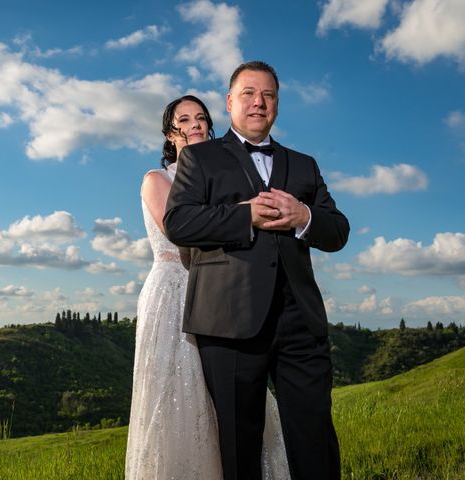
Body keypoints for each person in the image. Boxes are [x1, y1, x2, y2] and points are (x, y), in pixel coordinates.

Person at [164, 62, 350, 480]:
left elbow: (338, 231)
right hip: (228, 325)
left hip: (300, 322)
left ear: (277, 105)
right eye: (248, 93)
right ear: (230, 102)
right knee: (239, 448)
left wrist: (304, 216)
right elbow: (179, 223)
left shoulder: (304, 165)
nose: (258, 102)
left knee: (315, 440)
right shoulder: (199, 158)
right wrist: (244, 216)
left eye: (268, 95)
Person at [125, 94, 291, 480]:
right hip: (171, 291)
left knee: (229, 393)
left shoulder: (216, 182)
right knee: (174, 395)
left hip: (217, 288)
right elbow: (181, 232)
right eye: (184, 119)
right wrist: (243, 213)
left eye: (201, 117)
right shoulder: (157, 179)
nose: (195, 123)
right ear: (170, 133)